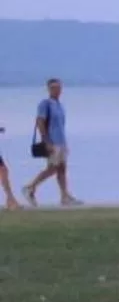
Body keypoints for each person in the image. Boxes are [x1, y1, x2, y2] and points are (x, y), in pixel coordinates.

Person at [26, 77, 76, 206]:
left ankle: (64, 196)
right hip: (52, 142)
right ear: (48, 89)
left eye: (58, 87)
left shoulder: (59, 105)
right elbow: (40, 122)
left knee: (62, 169)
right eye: (53, 88)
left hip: (61, 141)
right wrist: (46, 141)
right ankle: (30, 187)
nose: (56, 90)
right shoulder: (45, 104)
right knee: (53, 168)